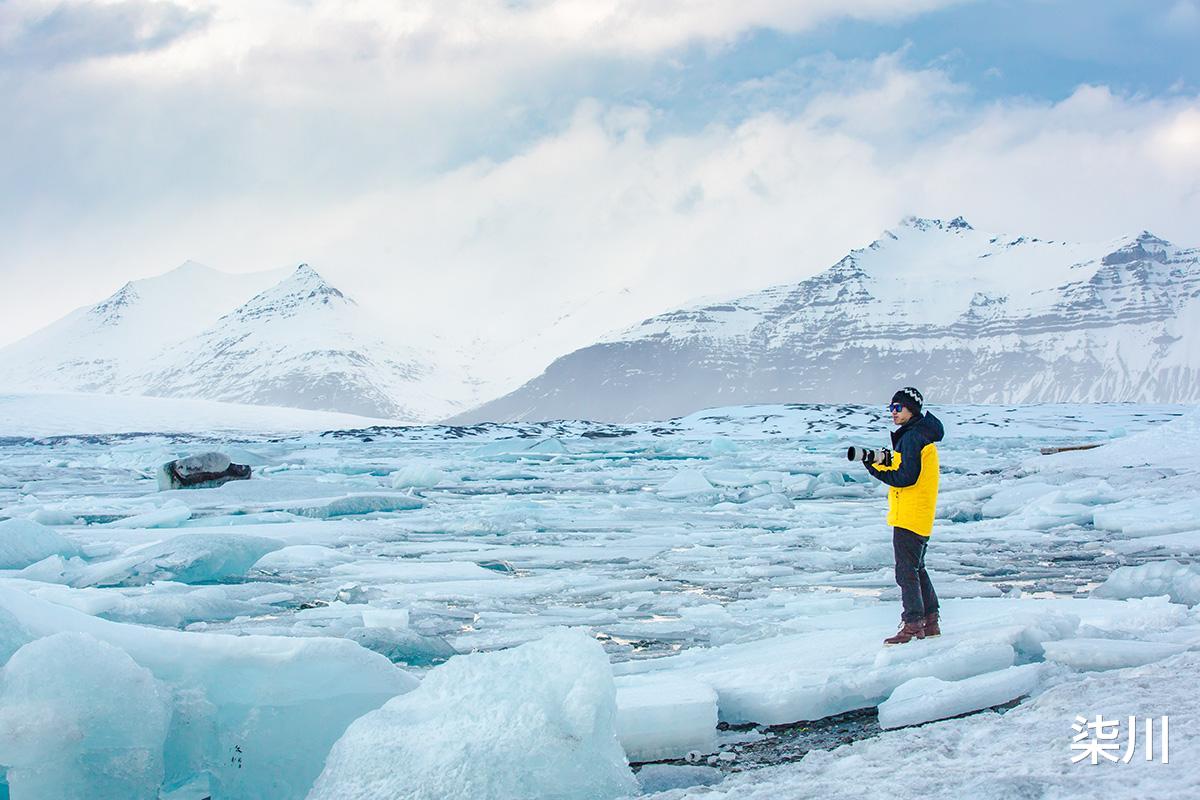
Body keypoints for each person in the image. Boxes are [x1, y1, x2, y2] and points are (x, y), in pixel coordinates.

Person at [863, 387, 945, 645]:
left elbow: (905, 478)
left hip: (909, 513)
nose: (893, 413)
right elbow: (909, 469)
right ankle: (930, 622)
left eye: (898, 408)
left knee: (906, 572)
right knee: (917, 568)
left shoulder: (912, 438)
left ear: (912, 409)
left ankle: (913, 625)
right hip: (920, 512)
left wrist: (875, 469)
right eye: (891, 408)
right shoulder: (921, 436)